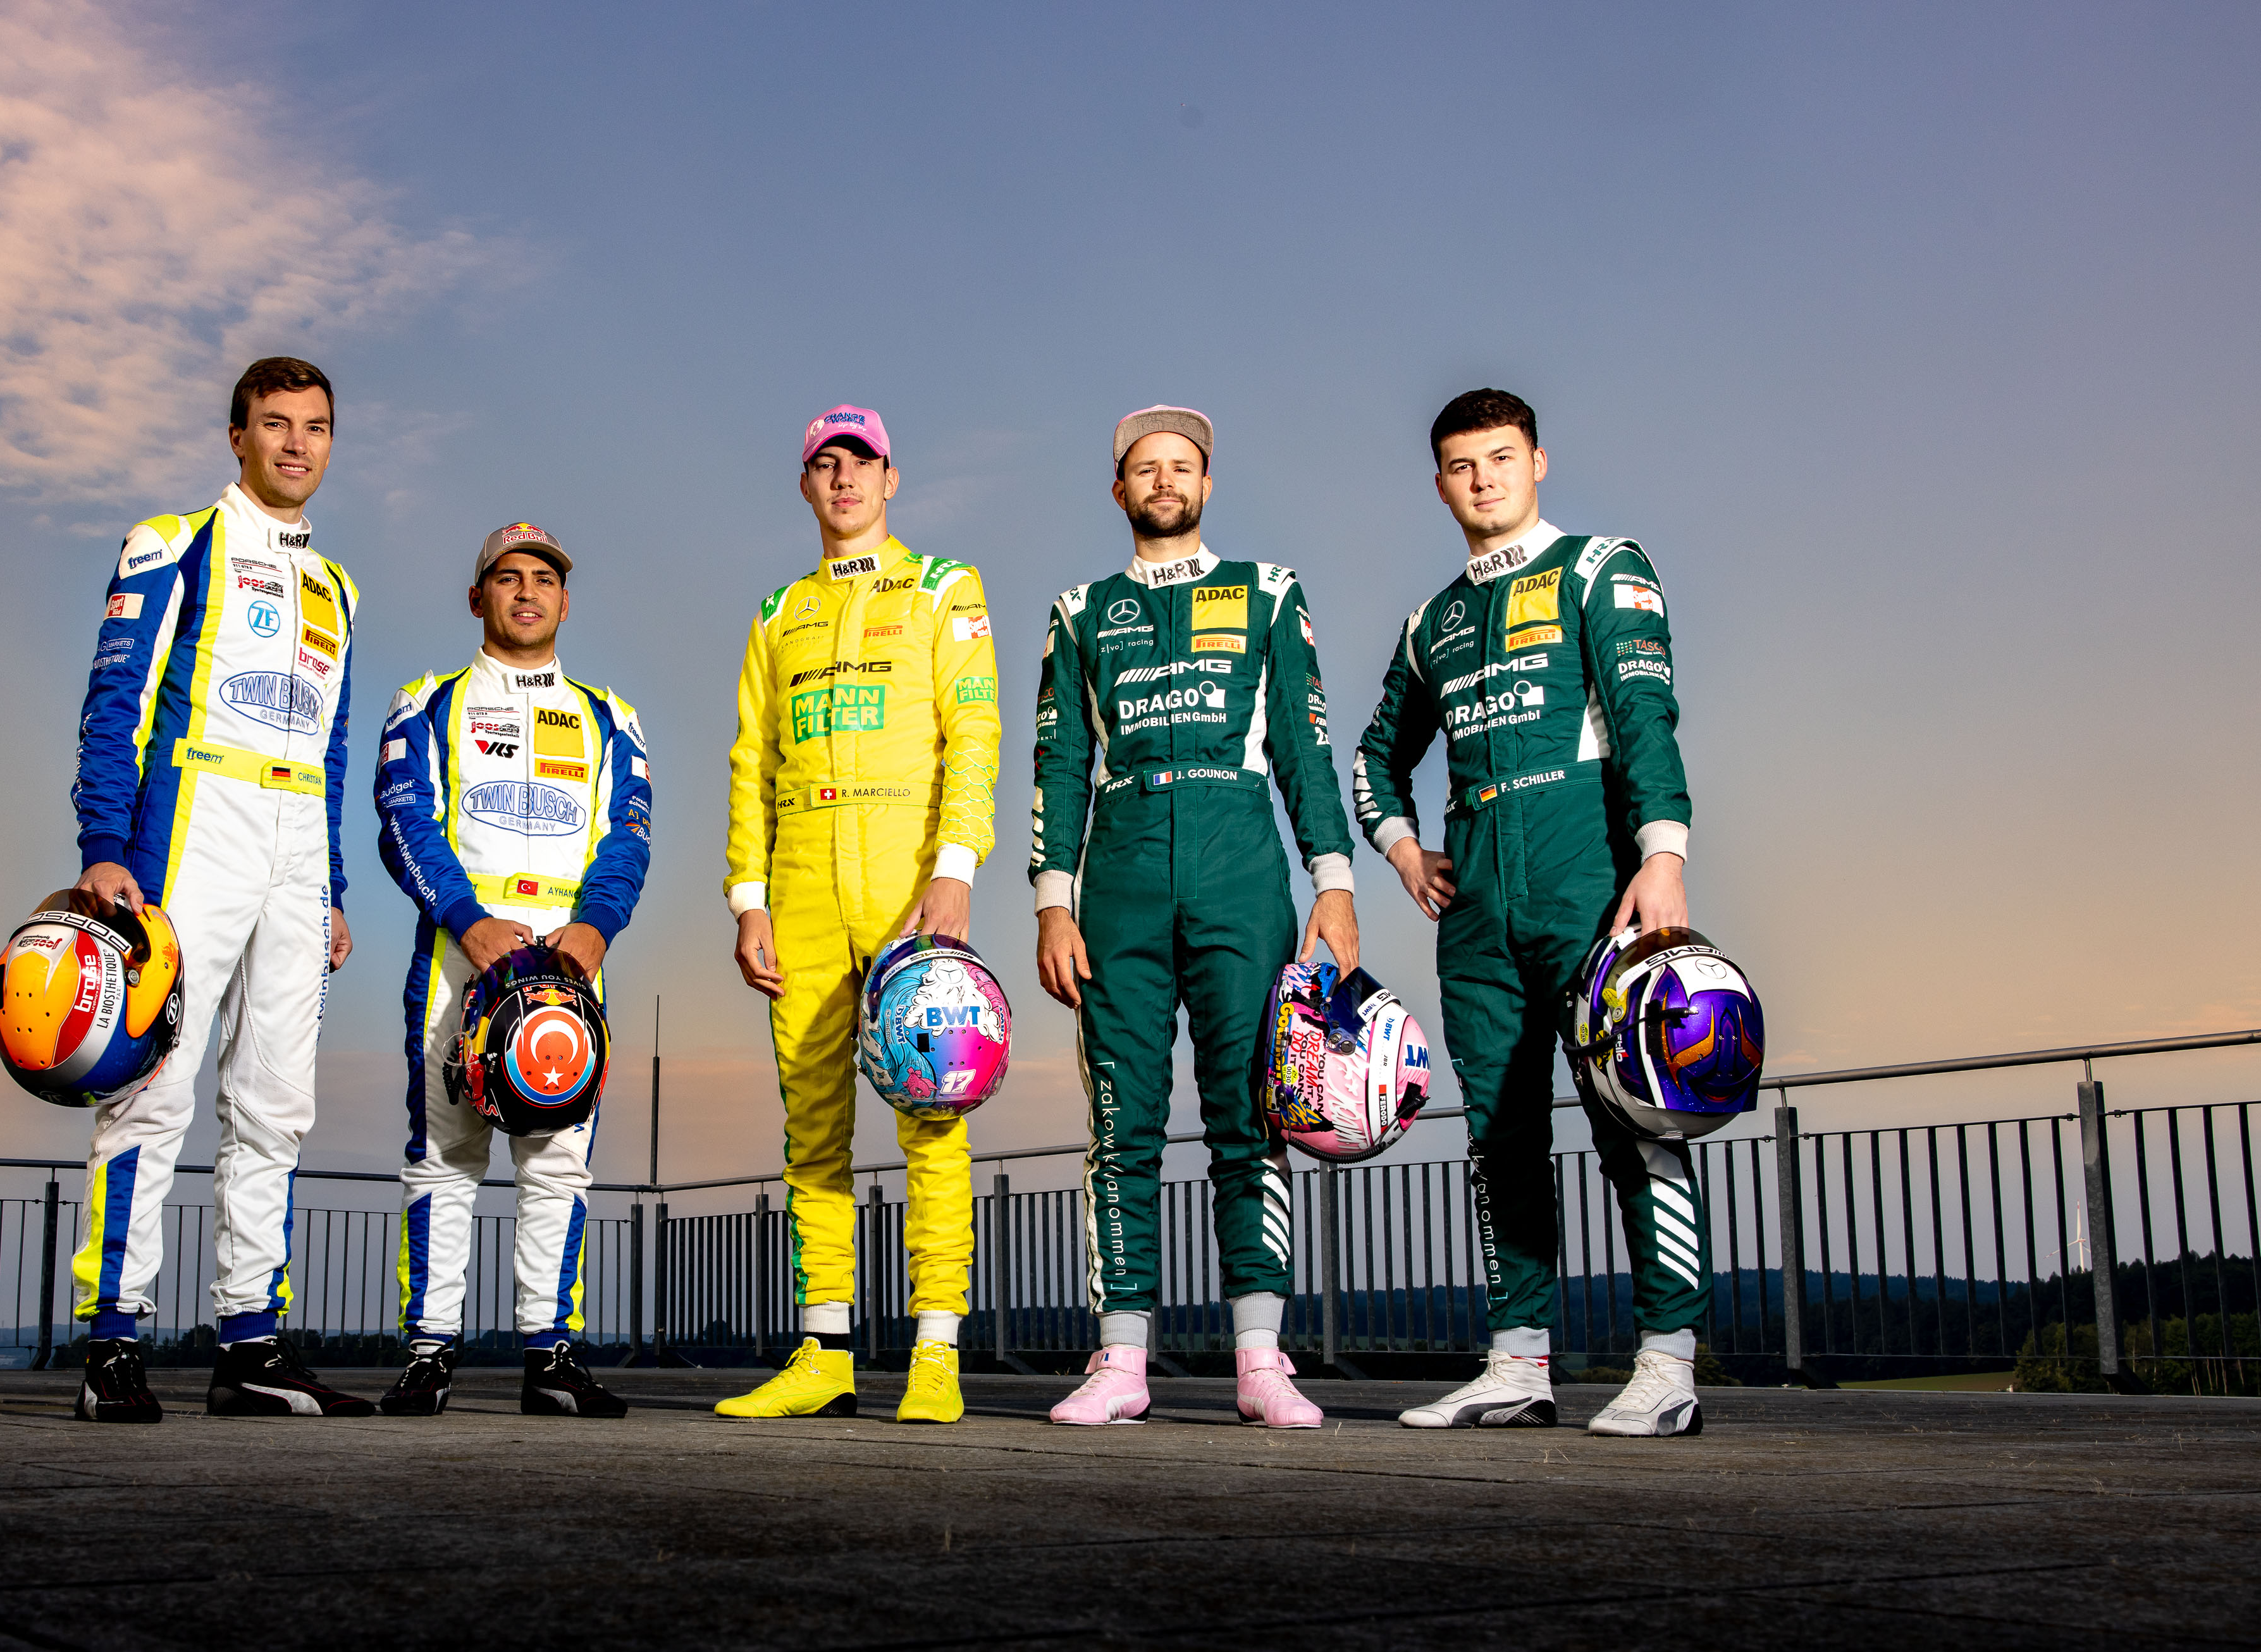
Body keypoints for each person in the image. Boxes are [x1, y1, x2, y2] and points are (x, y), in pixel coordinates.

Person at [1350, 388, 1706, 1438]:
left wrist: (1664, 854)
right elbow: (1373, 761)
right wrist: (1403, 849)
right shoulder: (1432, 623)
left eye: (1502, 458)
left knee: (1636, 1114)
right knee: (1499, 1137)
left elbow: (1645, 715)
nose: (1484, 480)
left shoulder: (1602, 568)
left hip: (1590, 885)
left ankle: (1669, 1362)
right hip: (1478, 918)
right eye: (1463, 465)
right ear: (1440, 484)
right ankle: (1517, 1362)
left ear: (1538, 462)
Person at [1031, 407, 1361, 1428]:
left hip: (1239, 859)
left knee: (1251, 1113)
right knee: (1119, 1120)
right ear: (1119, 490)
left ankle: (1261, 1359)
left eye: (1181, 465)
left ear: (1207, 484)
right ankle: (1122, 1358)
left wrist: (1335, 883)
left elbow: (1306, 746)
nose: (1164, 480)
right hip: (1120, 871)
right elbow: (1059, 761)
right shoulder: (1081, 611)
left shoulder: (1267, 591)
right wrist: (1053, 903)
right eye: (1145, 468)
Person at [67, 357, 370, 1421]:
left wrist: (332, 884)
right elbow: (116, 700)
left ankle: (250, 1345)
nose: (296, 443)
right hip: (195, 823)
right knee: (153, 1085)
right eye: (275, 424)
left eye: (315, 426)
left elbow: (334, 748)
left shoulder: (337, 588)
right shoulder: (173, 543)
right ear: (237, 435)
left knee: (277, 1101)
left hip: (298, 845)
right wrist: (106, 844)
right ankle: (113, 1340)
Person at [718, 406, 1002, 1423]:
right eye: (825, 465)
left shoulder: (943, 587)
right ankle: (825, 1351)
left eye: (861, 463)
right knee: (812, 1127)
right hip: (799, 881)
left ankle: (937, 1352)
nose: (844, 479)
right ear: (805, 484)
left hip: (908, 880)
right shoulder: (777, 611)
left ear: (892, 478)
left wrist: (956, 868)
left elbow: (975, 732)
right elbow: (751, 762)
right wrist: (748, 899)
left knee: (933, 1107)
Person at [375, 522, 650, 1418]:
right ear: (477, 597)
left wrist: (597, 928)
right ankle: (429, 1353)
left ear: (566, 601)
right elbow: (405, 824)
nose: (526, 592)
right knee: (445, 1157)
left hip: (571, 960)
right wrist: (466, 919)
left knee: (558, 1162)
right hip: (461, 958)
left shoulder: (612, 716)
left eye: (543, 579)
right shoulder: (427, 702)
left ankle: (549, 1355)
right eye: (507, 577)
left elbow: (628, 838)